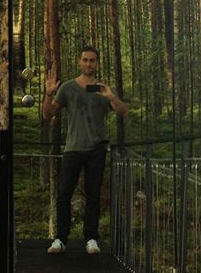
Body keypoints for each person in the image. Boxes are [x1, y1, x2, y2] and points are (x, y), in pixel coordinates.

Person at [42, 45, 129, 255]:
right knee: (64, 194)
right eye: (85, 60)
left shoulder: (103, 90)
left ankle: (90, 238)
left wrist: (111, 97)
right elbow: (47, 114)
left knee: (93, 195)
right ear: (79, 62)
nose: (88, 63)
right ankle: (60, 239)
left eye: (92, 60)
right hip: (73, 148)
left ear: (97, 63)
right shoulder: (68, 88)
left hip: (96, 149)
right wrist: (48, 93)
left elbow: (124, 111)